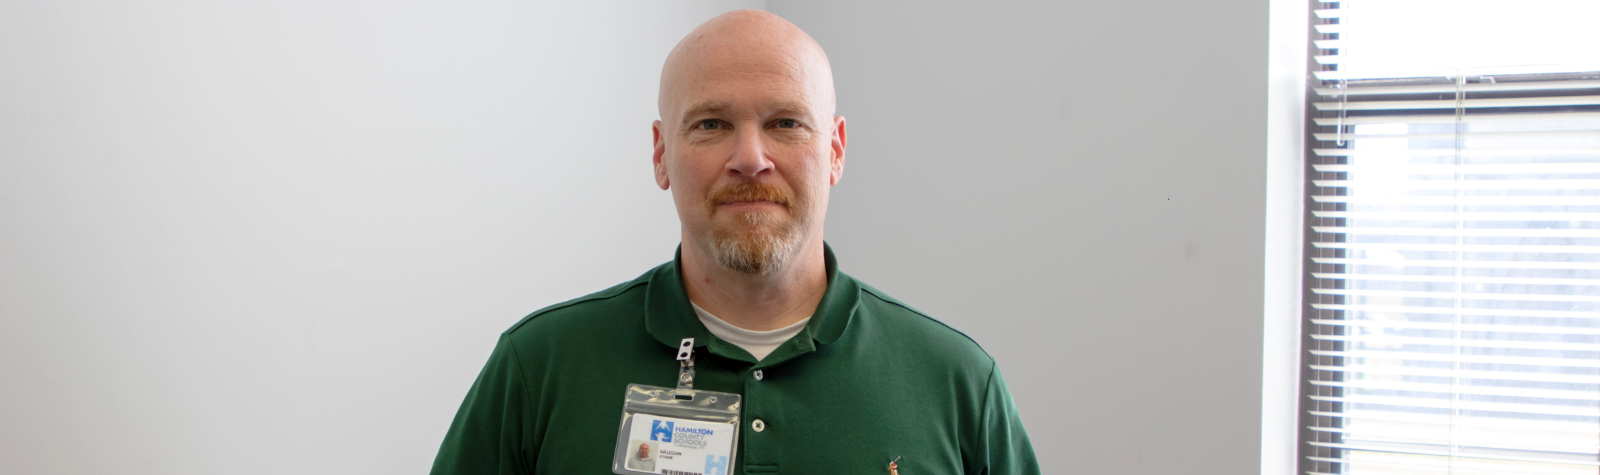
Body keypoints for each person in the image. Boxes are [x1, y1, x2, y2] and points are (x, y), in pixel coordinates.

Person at [429, 9, 1038, 475]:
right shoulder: (540, 368)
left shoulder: (958, 383)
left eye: (786, 123)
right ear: (662, 153)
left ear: (835, 150)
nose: (750, 159)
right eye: (712, 124)